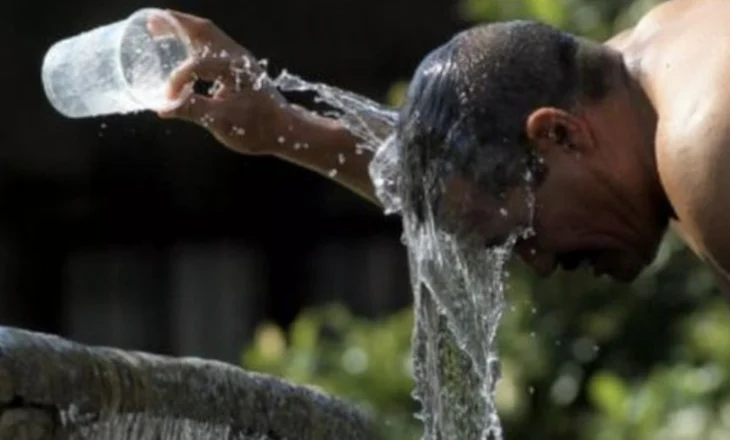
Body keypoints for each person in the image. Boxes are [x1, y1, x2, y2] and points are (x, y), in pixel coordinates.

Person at [154, 1, 730, 292]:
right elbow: (456, 173)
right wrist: (280, 125)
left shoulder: (706, 153)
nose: (541, 263)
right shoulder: (646, 65)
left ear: (559, 133)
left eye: (523, 234)